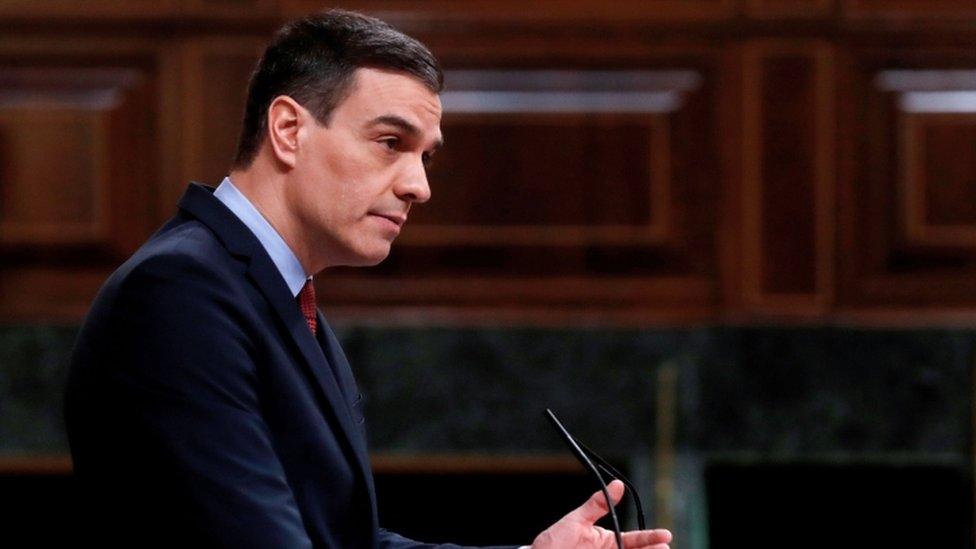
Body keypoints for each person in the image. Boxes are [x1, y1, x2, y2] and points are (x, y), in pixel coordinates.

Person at [64, 9, 674, 549]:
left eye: (425, 155)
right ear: (288, 129)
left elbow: (348, 539)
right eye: (390, 142)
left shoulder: (277, 295)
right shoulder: (181, 292)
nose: (419, 185)